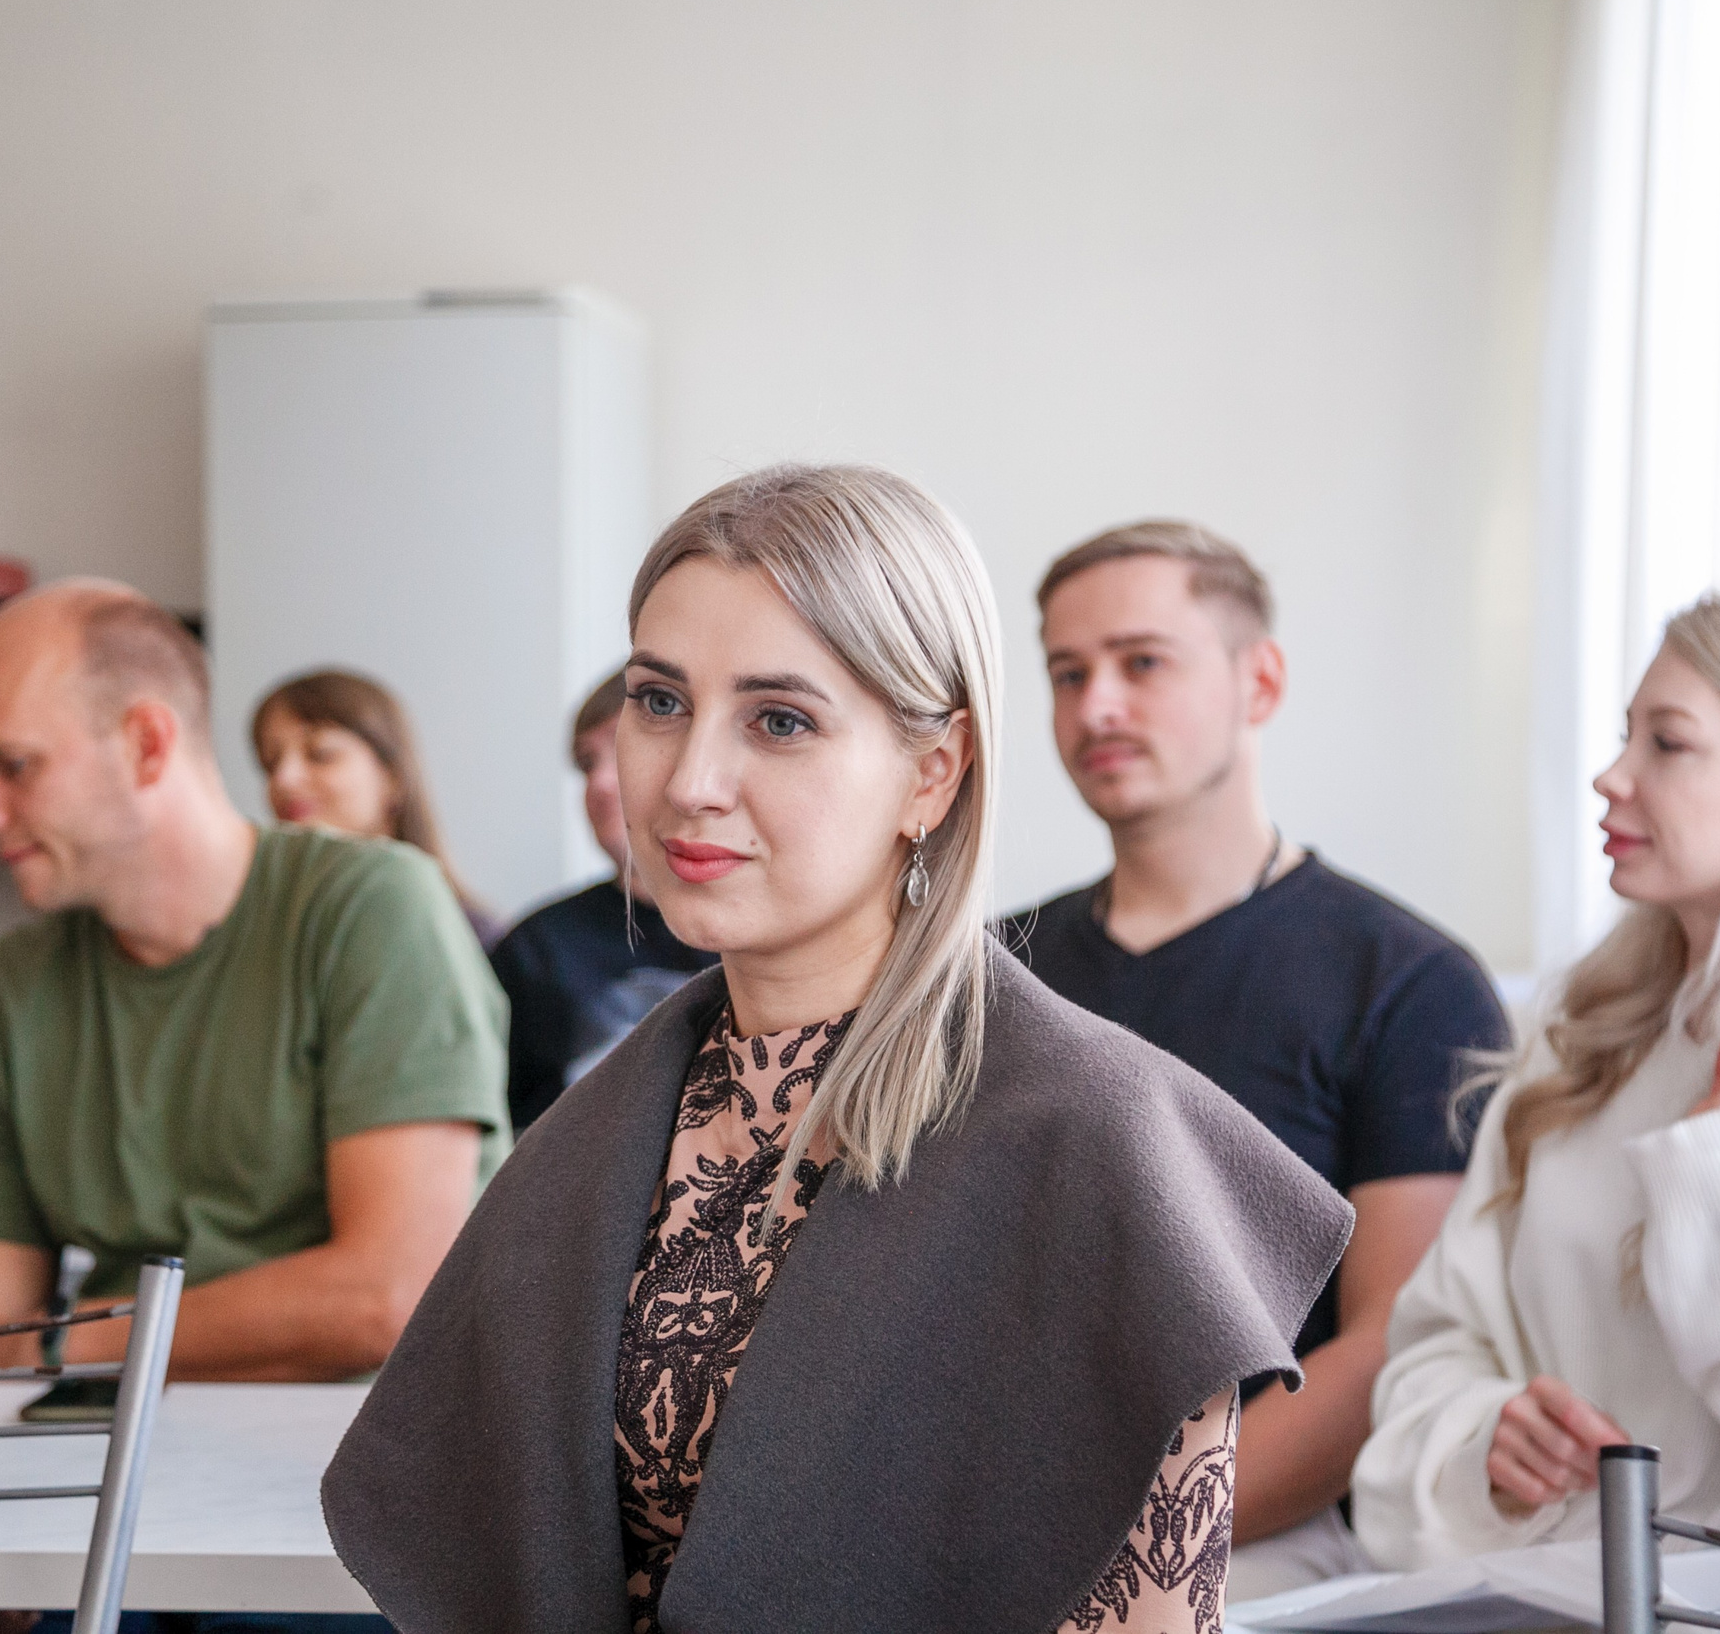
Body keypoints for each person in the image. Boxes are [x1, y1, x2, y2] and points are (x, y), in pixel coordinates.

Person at [321, 464, 1353, 1634]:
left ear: (932, 771)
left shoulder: (1095, 1141)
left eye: (780, 720)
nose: (688, 781)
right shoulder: (610, 1124)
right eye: (659, 701)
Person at [1007, 520, 1511, 1598]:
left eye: (1142, 662)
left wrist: (1130, 1545)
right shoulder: (990, 973)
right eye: (1067, 672)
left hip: (1258, 1547)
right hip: (992, 1517)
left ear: (1260, 681)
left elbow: (1395, 1341)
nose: (1096, 705)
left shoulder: (1408, 984)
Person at [1351, 596, 1720, 1568]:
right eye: (1622, 736)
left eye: (1666, 744)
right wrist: (1486, 1443)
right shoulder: (1582, 1041)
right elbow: (1436, 1345)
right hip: (1545, 1604)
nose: (1608, 777)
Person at [0, 581, 509, 1381]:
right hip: (86, 1453)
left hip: (347, 1465)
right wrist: (42, 1352)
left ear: (146, 745)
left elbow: (389, 1295)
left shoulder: (371, 906)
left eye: (12, 766)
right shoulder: (10, 988)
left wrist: (64, 1343)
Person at [488, 670, 717, 1130]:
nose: (599, 783)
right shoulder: (536, 947)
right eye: (586, 763)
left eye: (617, 751)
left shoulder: (757, 930)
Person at [252, 668, 504, 949]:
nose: (283, 779)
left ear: (393, 778)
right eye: (270, 762)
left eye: (320, 754)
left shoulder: (471, 940)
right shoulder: (261, 937)